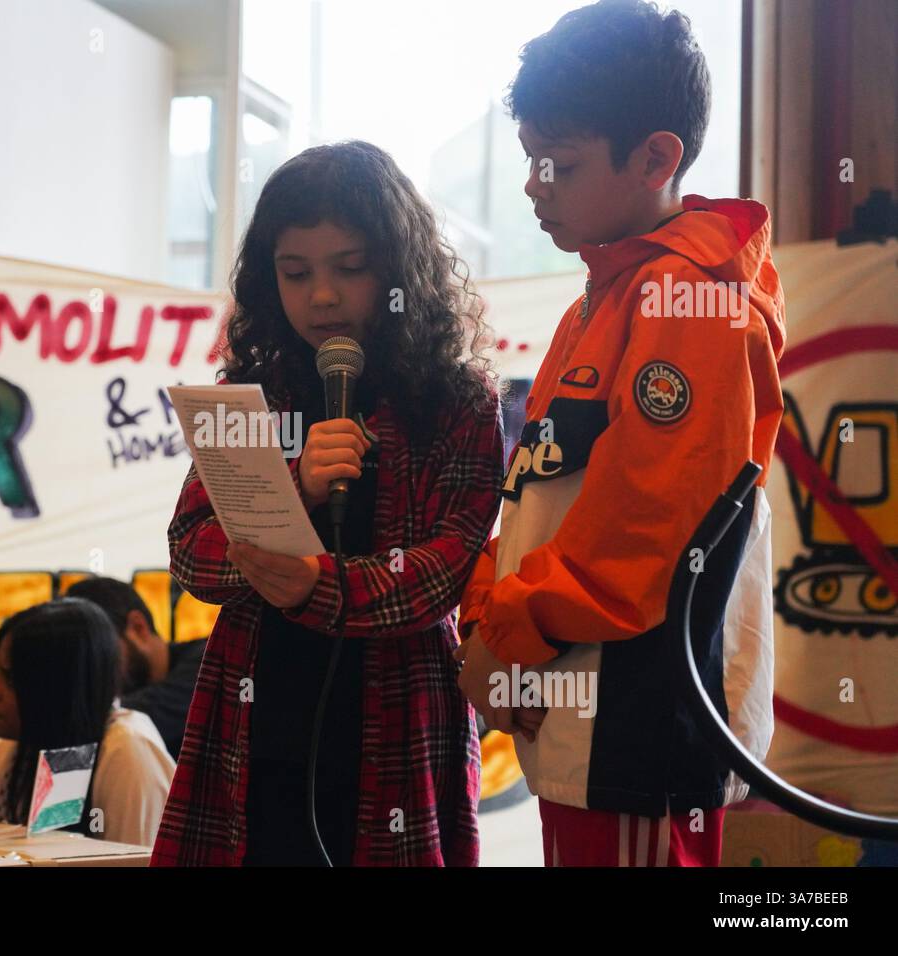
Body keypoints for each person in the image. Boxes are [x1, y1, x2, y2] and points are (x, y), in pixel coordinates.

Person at [456, 0, 785, 867]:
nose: (533, 184)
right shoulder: (601, 299)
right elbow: (538, 500)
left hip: (638, 732)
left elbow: (649, 528)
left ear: (657, 158)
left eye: (558, 162)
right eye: (530, 159)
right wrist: (488, 622)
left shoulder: (692, 302)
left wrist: (504, 639)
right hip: (581, 721)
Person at [151, 140, 504, 866]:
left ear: (400, 270)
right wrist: (296, 484)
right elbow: (191, 550)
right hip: (252, 718)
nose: (322, 296)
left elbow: (445, 570)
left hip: (402, 724)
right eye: (294, 272)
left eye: (350, 269)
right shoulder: (249, 396)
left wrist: (324, 589)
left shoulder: (460, 402)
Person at [0, 598, 174, 847]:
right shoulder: (4, 756)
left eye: (9, 677)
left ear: (59, 687)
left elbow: (134, 861)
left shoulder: (125, 752)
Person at [65, 576, 206, 759]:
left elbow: (149, 714)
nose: (92, 668)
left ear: (138, 627)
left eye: (99, 650)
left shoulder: (211, 659)